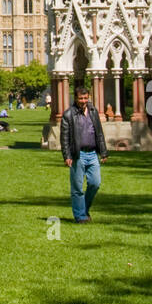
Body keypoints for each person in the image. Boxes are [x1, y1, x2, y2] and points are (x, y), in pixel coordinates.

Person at [60, 86, 107, 223]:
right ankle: (80, 216)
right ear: (75, 98)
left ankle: (84, 208)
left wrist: (103, 152)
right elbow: (64, 138)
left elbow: (99, 132)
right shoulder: (68, 114)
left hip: (92, 154)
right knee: (77, 187)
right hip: (78, 154)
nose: (83, 101)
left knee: (95, 183)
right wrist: (67, 156)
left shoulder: (93, 111)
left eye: (86, 98)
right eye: (81, 98)